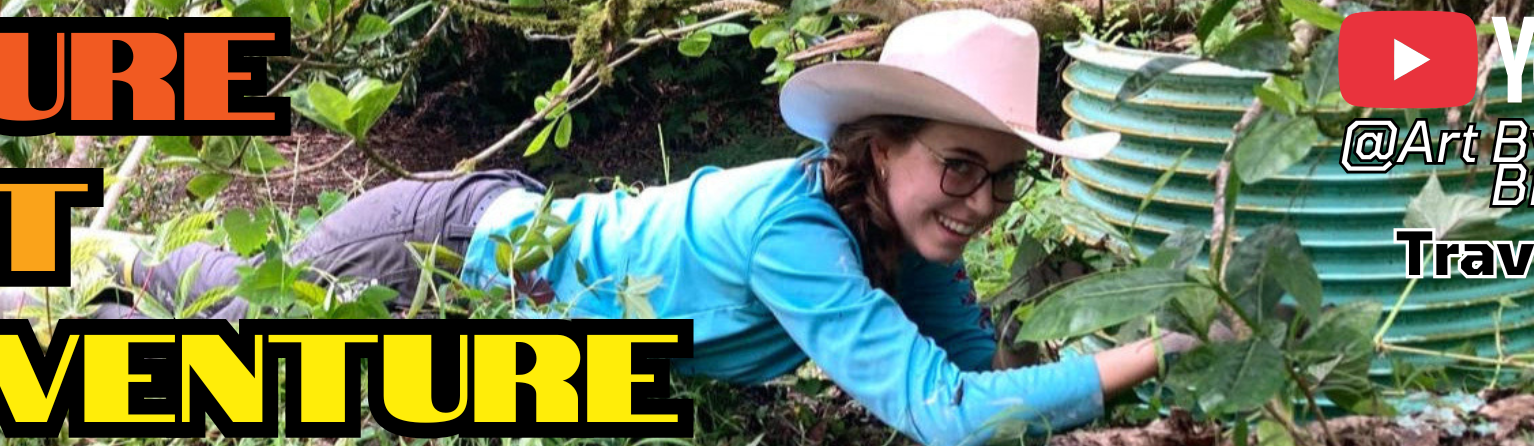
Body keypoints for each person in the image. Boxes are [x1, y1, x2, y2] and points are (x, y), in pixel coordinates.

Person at [105, 10, 1212, 445]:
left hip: (510, 276)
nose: (978, 205)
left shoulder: (897, 235)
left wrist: (1168, 392)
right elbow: (948, 419)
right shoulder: (795, 230)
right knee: (217, 327)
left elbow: (975, 381)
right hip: (434, 247)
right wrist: (1157, 350)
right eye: (958, 169)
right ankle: (87, 266)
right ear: (880, 146)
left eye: (1002, 182)